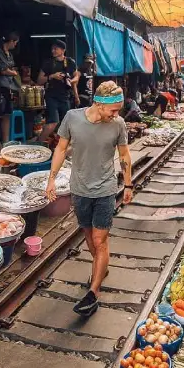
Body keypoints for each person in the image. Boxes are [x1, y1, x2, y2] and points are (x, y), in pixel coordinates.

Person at [46, 81, 132, 317]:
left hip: (105, 189)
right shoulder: (72, 118)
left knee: (100, 238)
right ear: (98, 104)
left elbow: (124, 154)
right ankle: (100, 267)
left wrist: (128, 183)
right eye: (113, 110)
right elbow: (61, 149)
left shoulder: (118, 124)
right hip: (80, 189)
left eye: (118, 111)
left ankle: (94, 292)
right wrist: (51, 179)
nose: (117, 115)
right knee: (88, 234)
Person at [36, 40, 79, 144]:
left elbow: (76, 76)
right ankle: (38, 144)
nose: (53, 51)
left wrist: (72, 84)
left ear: (63, 50)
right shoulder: (48, 63)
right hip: (51, 97)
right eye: (52, 49)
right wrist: (52, 76)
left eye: (56, 49)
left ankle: (61, 148)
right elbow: (39, 81)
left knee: (66, 124)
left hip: (65, 97)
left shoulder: (70, 62)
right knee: (53, 122)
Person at [0, 31, 21, 145]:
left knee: (7, 114)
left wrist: (11, 72)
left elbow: (10, 69)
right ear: (11, 41)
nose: (15, 45)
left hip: (9, 86)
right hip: (1, 86)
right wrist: (13, 73)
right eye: (15, 43)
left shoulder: (9, 54)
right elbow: (3, 70)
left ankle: (6, 141)